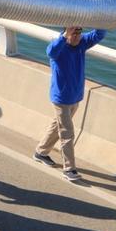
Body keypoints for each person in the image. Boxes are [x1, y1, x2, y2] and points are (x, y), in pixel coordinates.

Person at [35, 25, 107, 182]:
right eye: (73, 34)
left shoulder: (82, 43)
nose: (76, 37)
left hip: (75, 96)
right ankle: (69, 169)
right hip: (61, 98)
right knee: (67, 132)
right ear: (66, 34)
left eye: (79, 34)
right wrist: (64, 36)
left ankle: (41, 152)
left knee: (57, 125)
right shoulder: (58, 49)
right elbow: (50, 51)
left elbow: (100, 33)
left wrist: (98, 18)